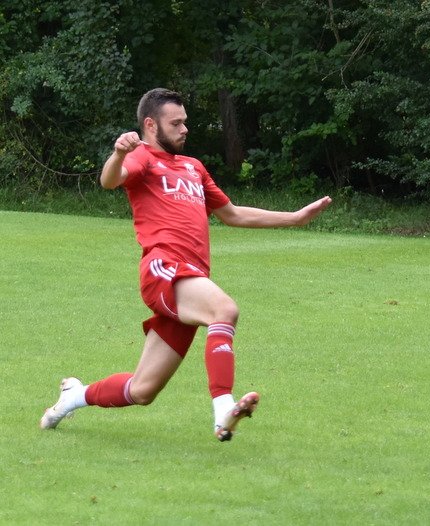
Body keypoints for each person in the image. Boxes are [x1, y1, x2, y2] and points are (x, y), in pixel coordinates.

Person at [40, 88, 332, 442]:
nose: (184, 129)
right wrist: (118, 154)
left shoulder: (194, 167)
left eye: (185, 122)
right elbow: (109, 180)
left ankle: (74, 396)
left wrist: (295, 218)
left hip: (189, 280)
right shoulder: (143, 157)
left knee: (142, 390)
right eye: (175, 123)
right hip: (164, 269)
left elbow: (232, 214)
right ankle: (223, 409)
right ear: (151, 125)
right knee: (224, 310)